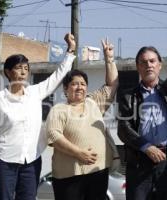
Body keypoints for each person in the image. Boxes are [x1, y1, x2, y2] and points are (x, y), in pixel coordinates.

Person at [0, 33, 76, 200]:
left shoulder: (35, 93)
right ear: (8, 72)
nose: (23, 72)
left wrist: (70, 52)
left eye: (26, 68)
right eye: (19, 68)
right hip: (4, 161)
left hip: (31, 161)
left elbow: (57, 76)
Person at [117, 22, 167, 200]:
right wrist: (146, 147)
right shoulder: (128, 95)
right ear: (138, 67)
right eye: (143, 62)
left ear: (160, 65)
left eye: (152, 61)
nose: (149, 65)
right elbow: (123, 127)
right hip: (139, 161)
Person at [45, 38, 119, 200]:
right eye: (74, 84)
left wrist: (109, 59)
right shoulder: (59, 109)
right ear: (65, 89)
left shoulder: (94, 102)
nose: (79, 87)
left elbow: (112, 85)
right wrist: (79, 153)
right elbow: (54, 136)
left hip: (98, 173)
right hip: (68, 178)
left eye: (83, 84)